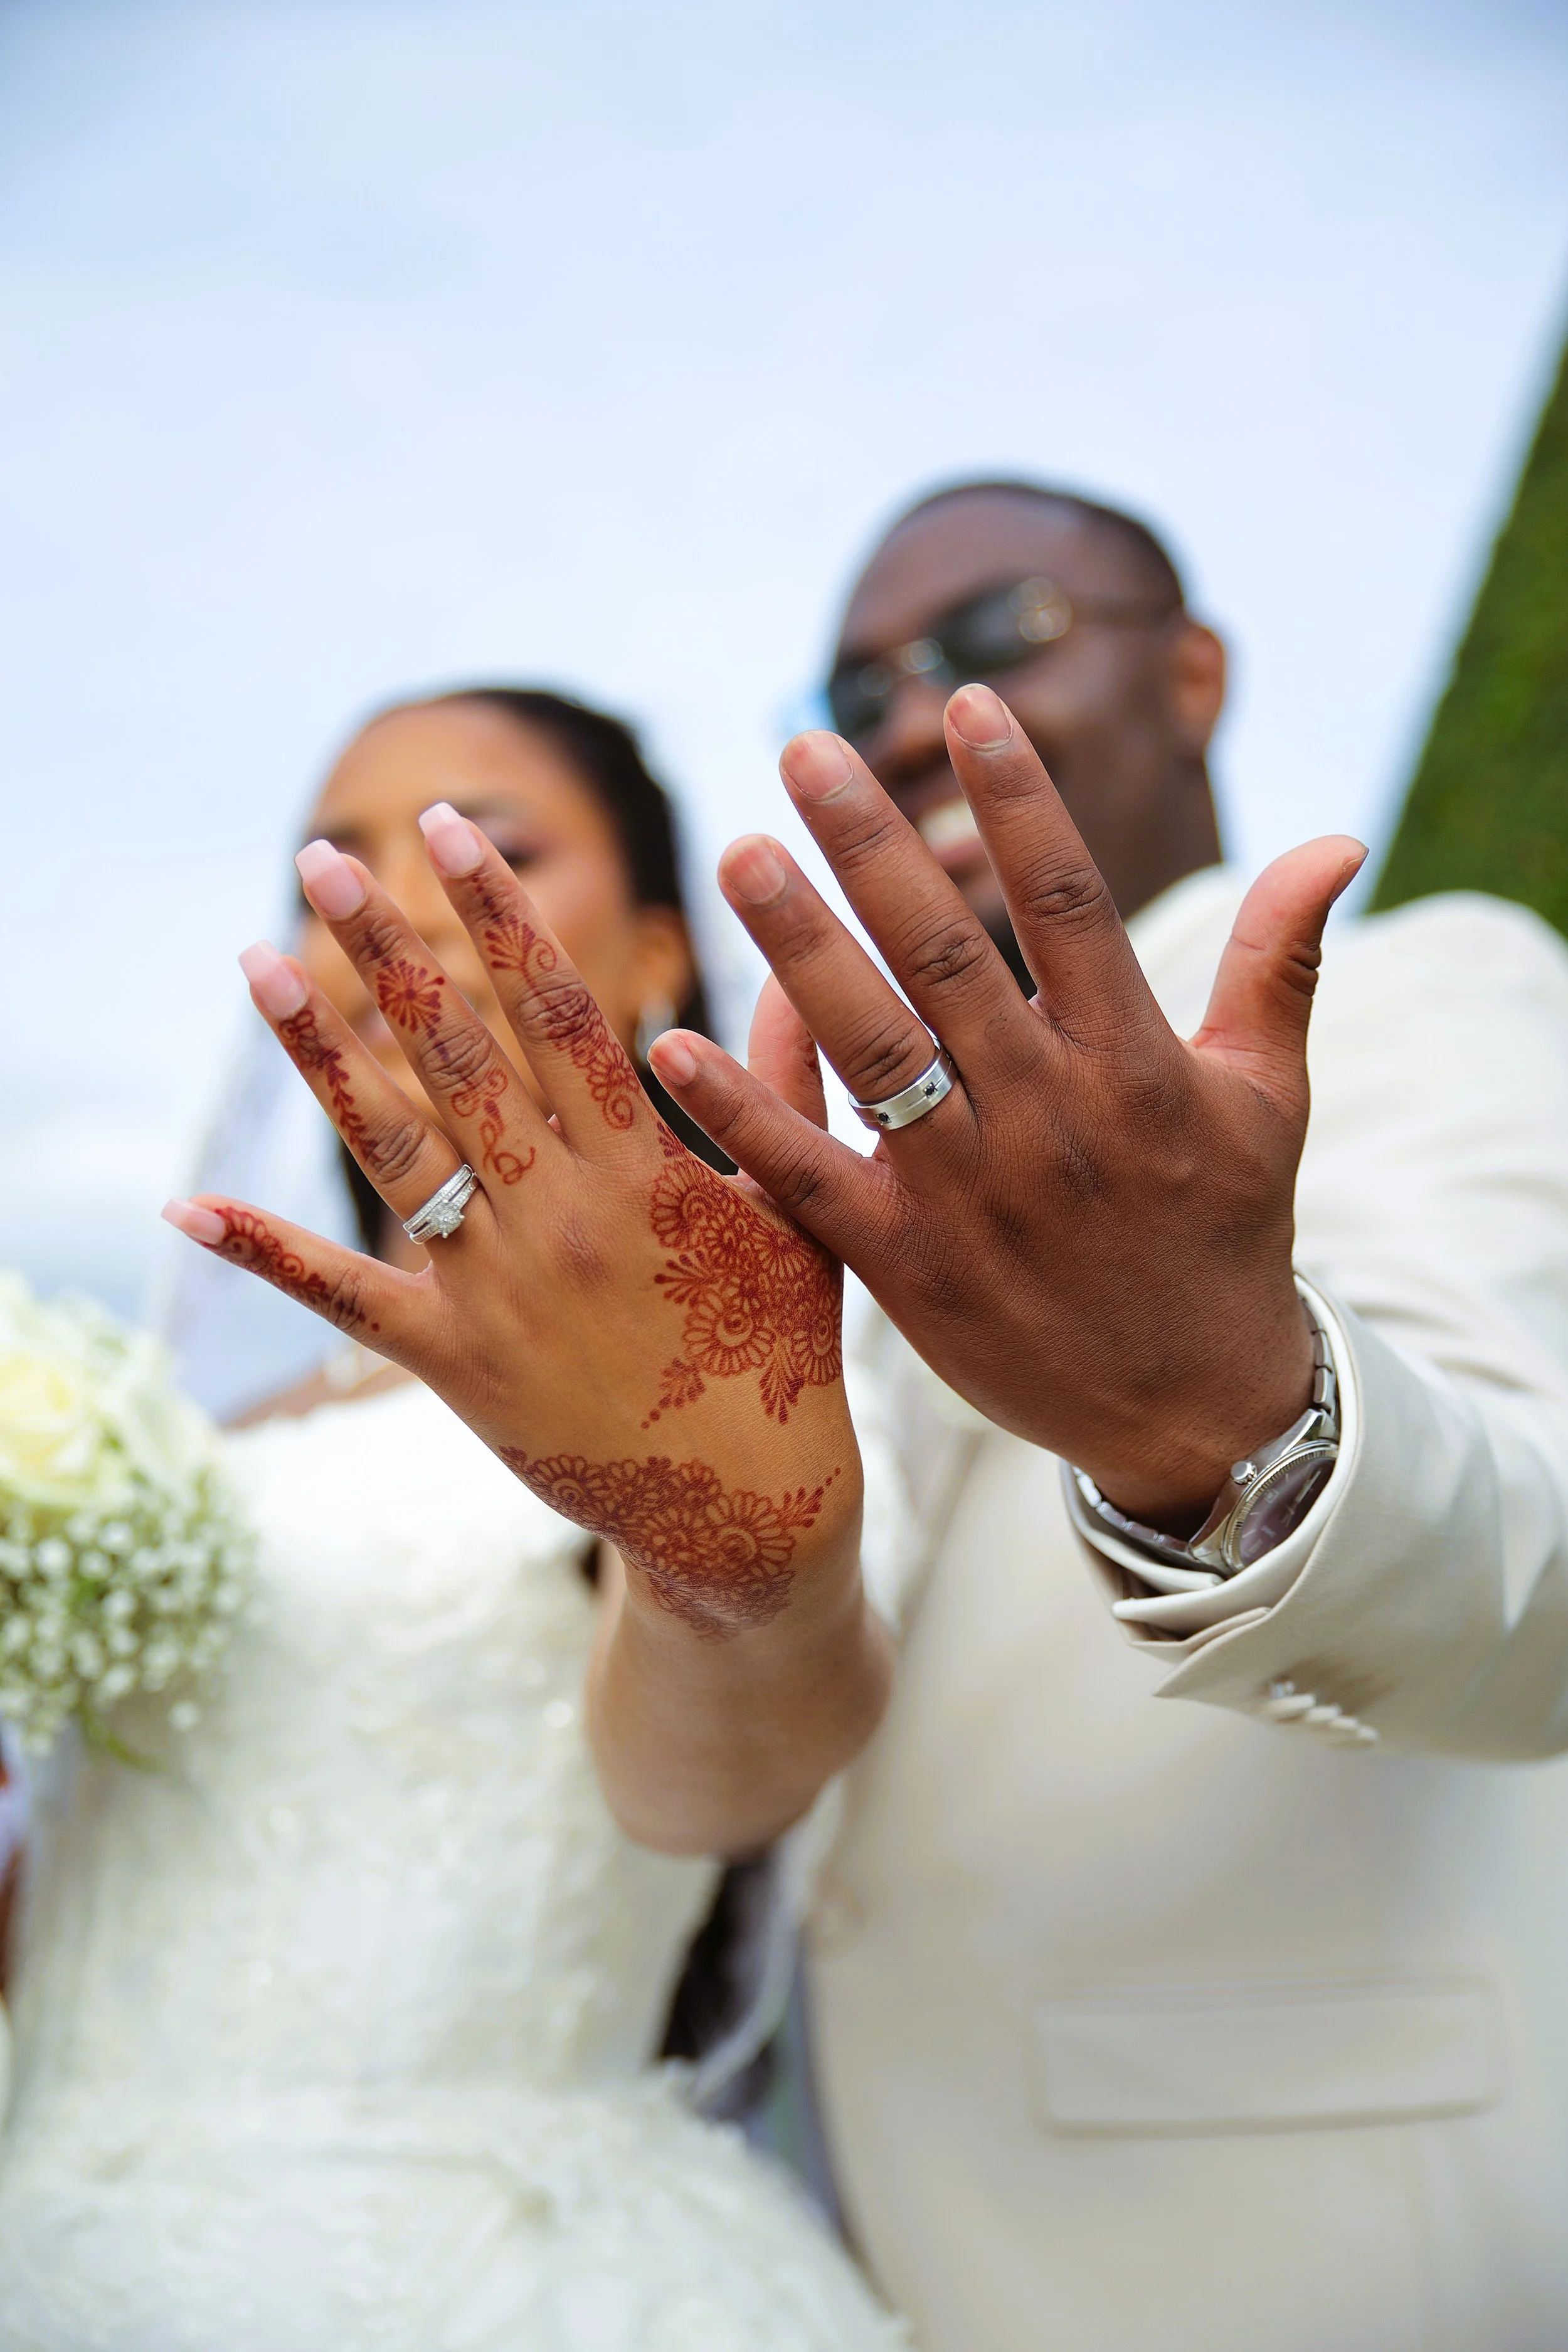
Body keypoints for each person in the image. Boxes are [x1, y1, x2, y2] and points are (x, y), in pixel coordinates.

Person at [644, 483, 1568, 2351]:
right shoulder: (847, 1180)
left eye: (996, 636)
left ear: (1193, 672)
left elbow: (1533, 1591)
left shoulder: (1430, 989)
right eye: (859, 690)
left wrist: (1223, 1425)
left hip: (1290, 2261)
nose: (914, 719)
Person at [0, 687, 908, 2350]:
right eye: (331, 864)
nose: (393, 906)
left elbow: (722, 1777)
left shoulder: (758, 1395)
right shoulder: (216, 1439)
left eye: (489, 847)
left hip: (478, 2274)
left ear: (656, 953)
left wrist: (715, 1544)